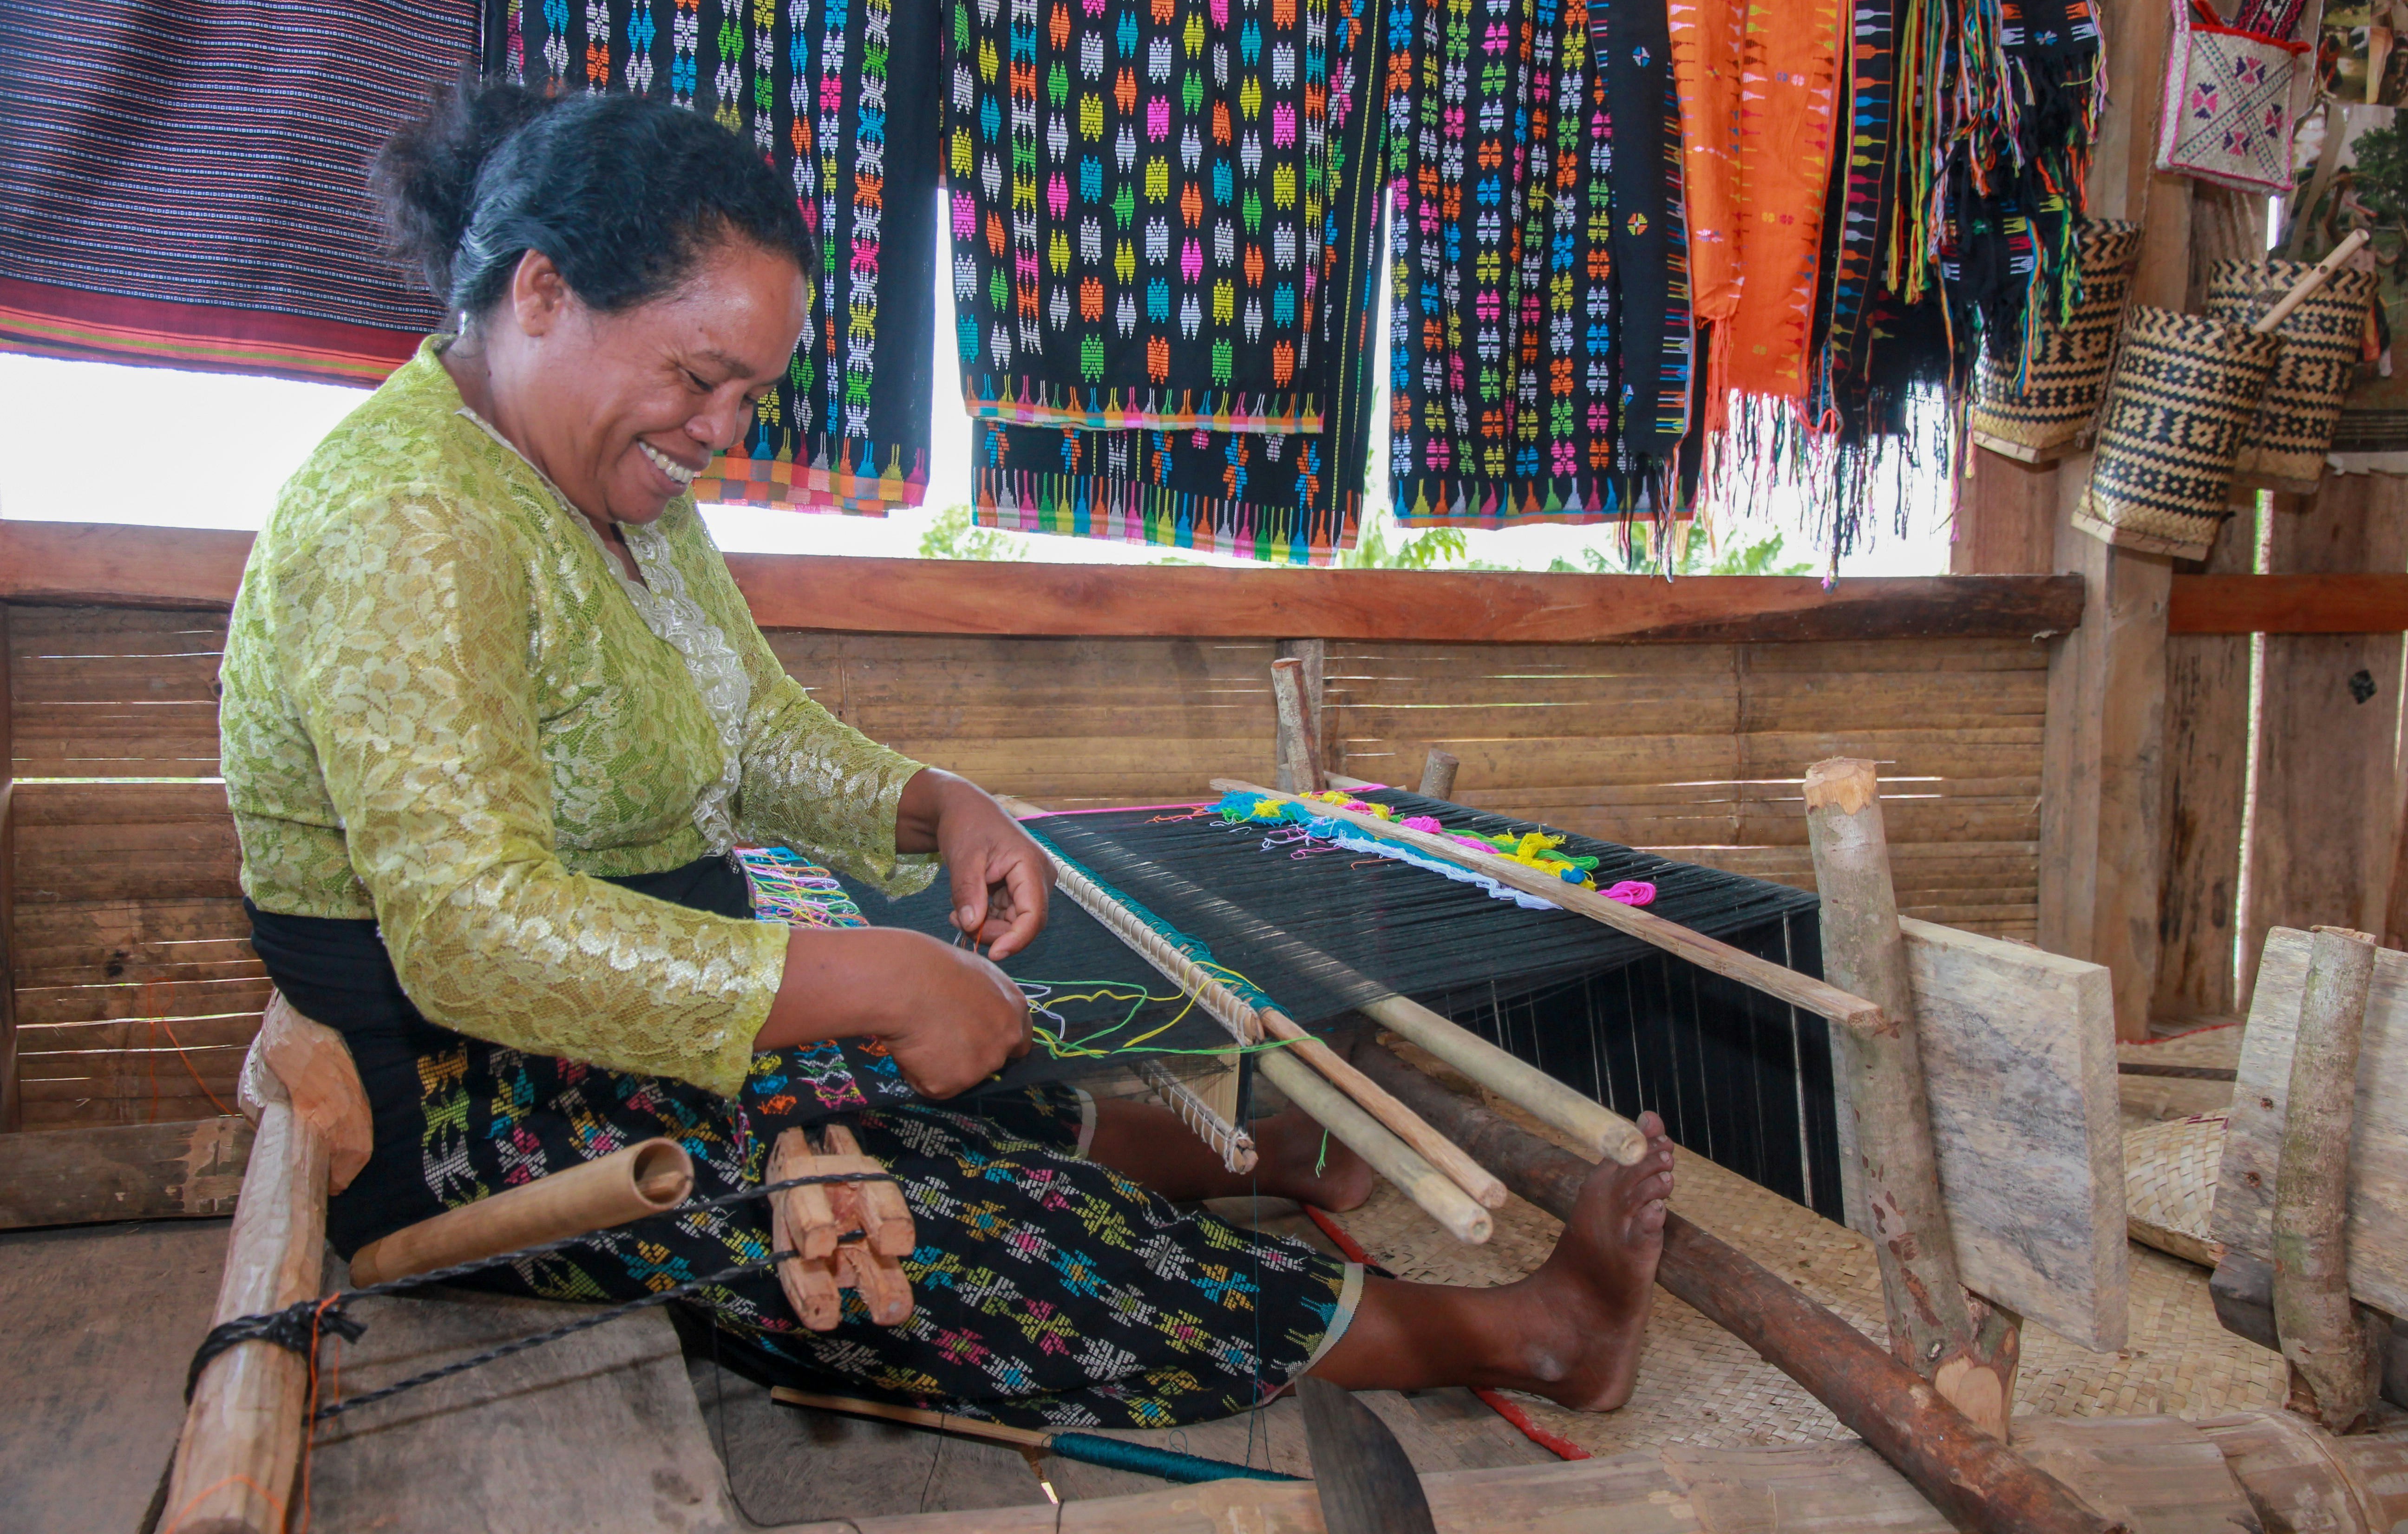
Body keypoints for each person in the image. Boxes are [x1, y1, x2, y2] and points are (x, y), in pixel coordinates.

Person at [216, 76, 1675, 1431]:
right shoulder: (411, 520)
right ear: (540, 294)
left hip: (603, 1020)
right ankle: (1520, 1336)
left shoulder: (605, 494)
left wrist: (938, 805)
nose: (720, 432)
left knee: (921, 1061)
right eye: (698, 378)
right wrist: (876, 974)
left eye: (749, 398)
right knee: (901, 1218)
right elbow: (468, 935)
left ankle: (1276, 1165)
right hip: (474, 1100)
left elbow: (747, 721)